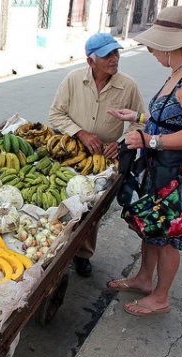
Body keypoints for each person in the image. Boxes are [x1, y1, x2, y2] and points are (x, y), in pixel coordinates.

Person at [106, 5, 182, 316]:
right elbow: (172, 117)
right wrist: (139, 117)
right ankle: (143, 278)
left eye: (154, 46)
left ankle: (161, 296)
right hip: (159, 168)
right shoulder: (178, 72)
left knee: (168, 237)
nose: (151, 51)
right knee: (152, 227)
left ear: (170, 44)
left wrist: (150, 140)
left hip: (175, 173)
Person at [49, 33, 146, 277]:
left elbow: (141, 122)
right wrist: (80, 133)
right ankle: (56, 247)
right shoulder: (73, 80)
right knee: (63, 198)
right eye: (107, 55)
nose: (114, 59)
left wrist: (122, 142)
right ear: (91, 61)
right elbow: (56, 115)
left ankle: (83, 254)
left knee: (91, 208)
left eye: (116, 53)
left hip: (105, 157)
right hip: (72, 152)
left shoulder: (128, 85)